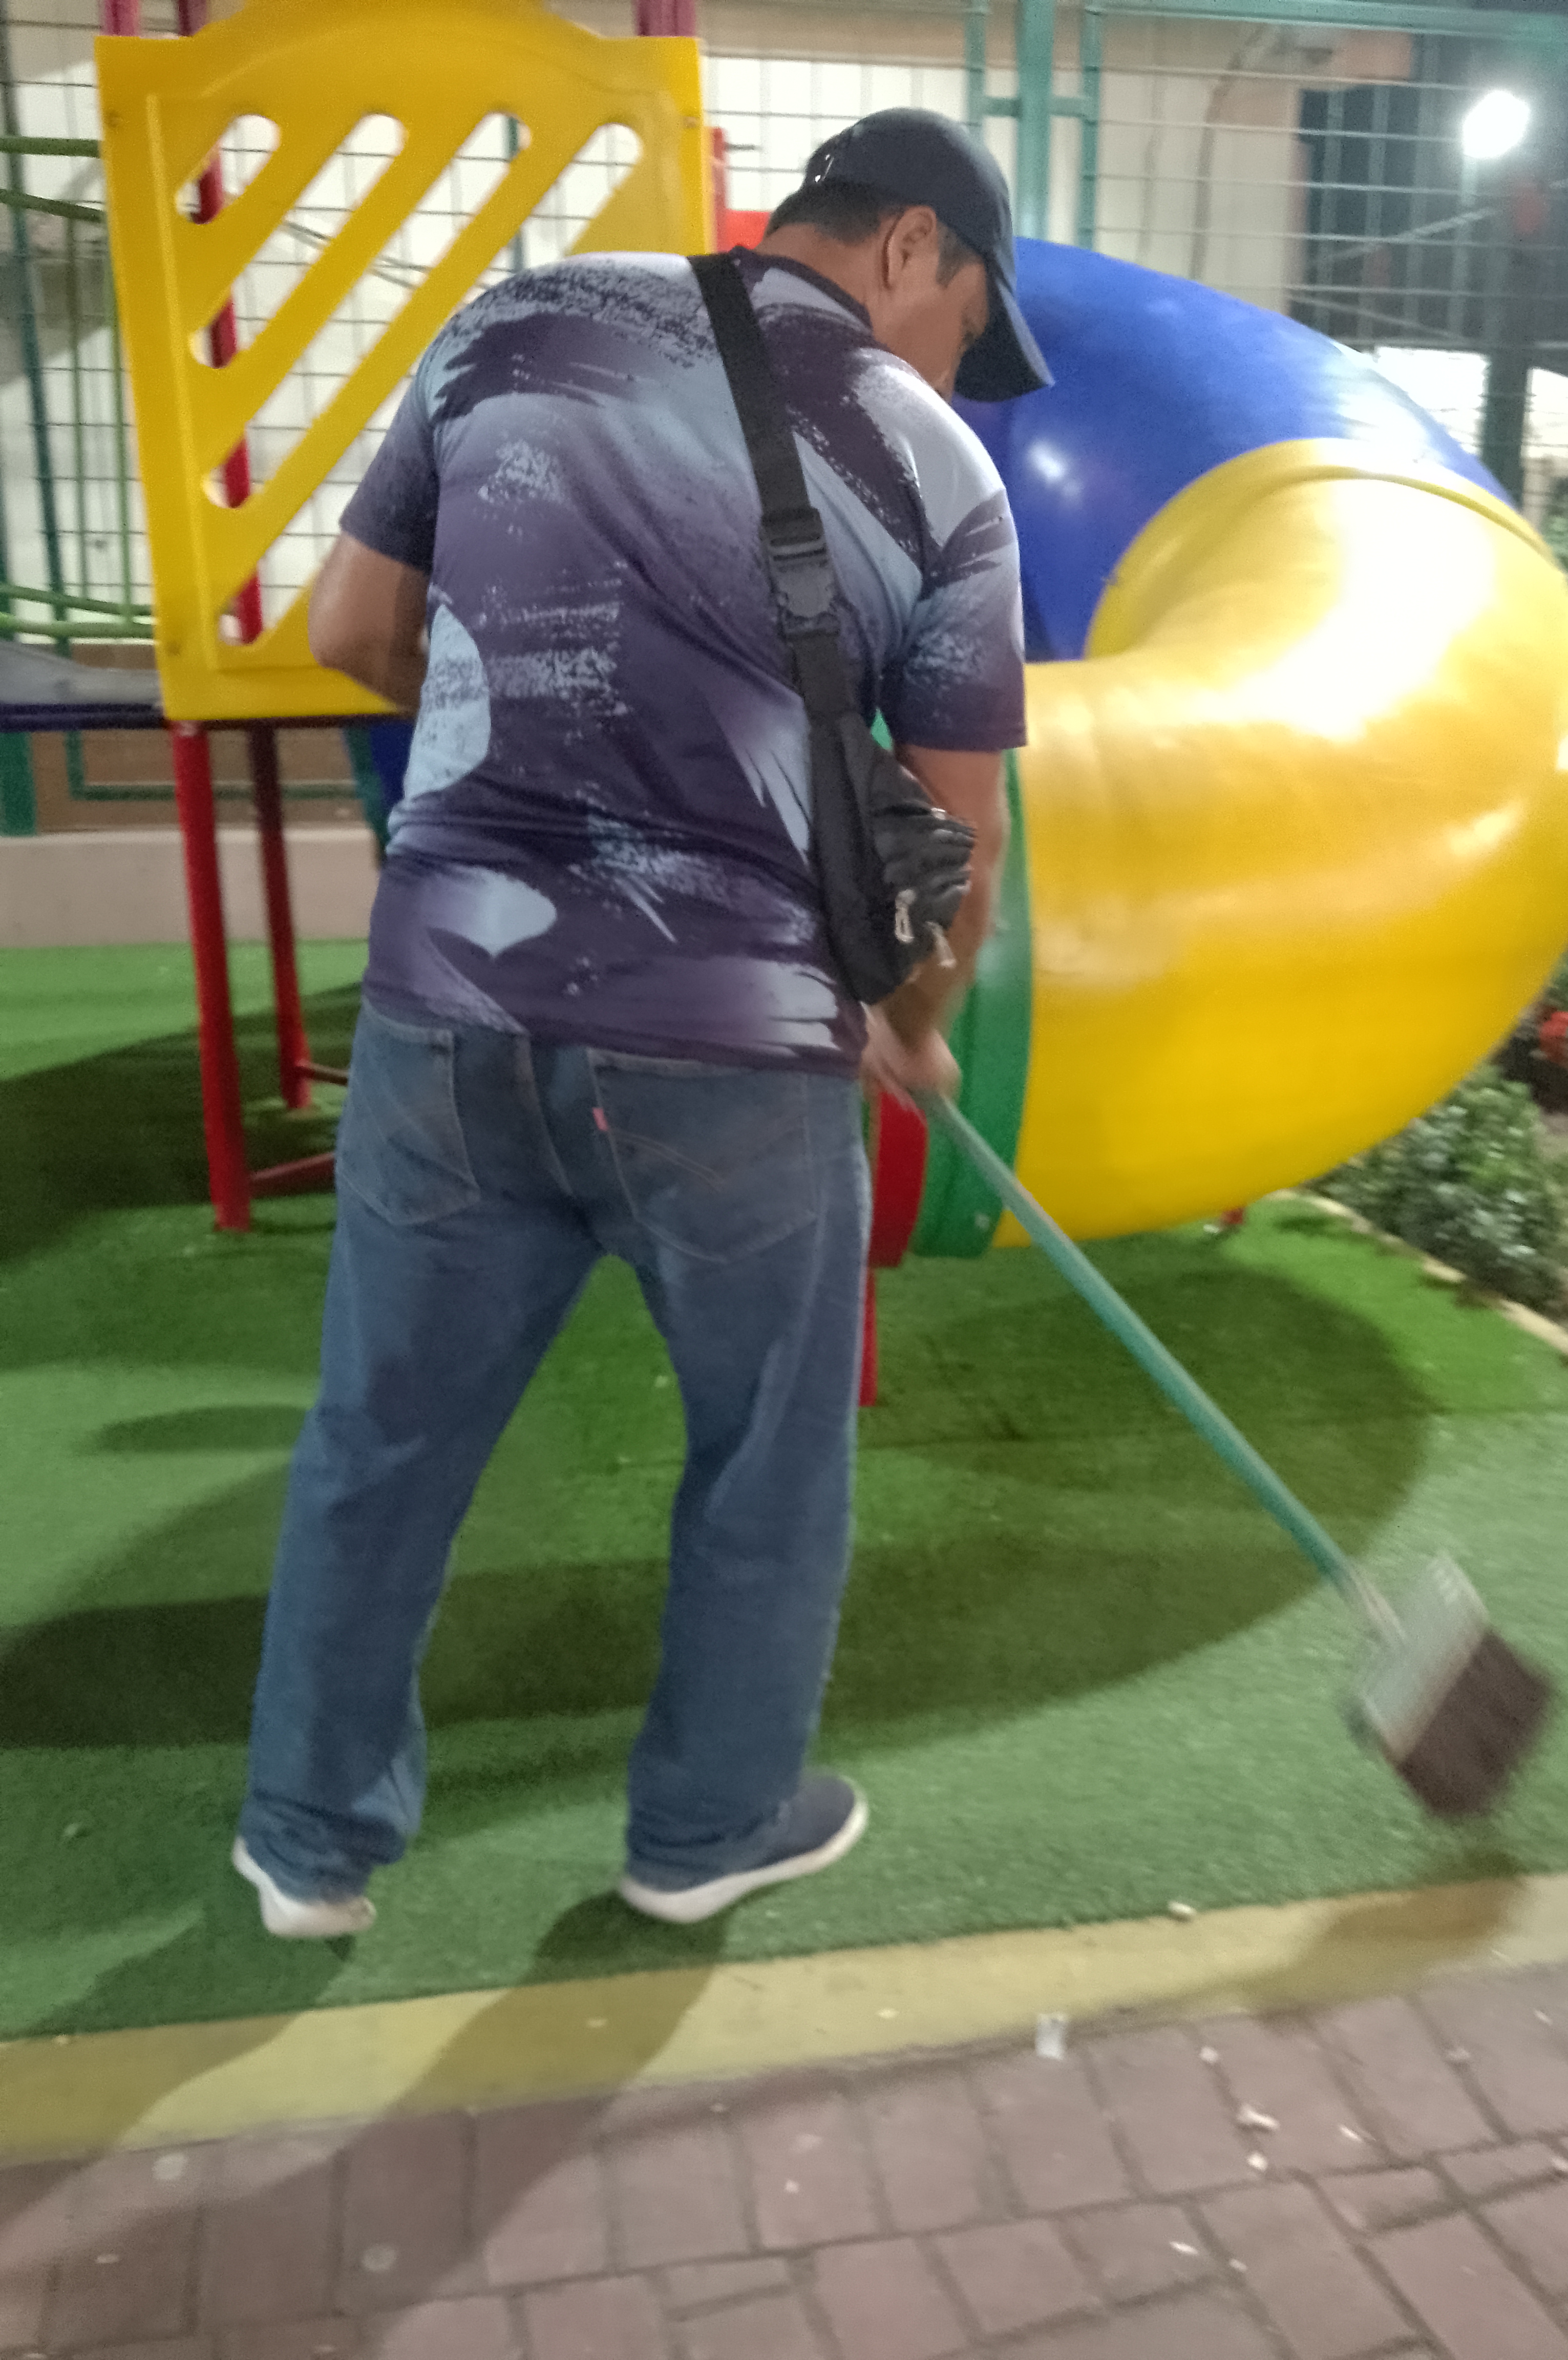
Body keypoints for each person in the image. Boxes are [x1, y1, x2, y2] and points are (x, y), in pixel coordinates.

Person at [231, 109, 1049, 1938]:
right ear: (909, 249)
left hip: (451, 1002)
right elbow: (963, 835)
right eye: (966, 324)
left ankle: (306, 1843)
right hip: (738, 1047)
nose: (954, 372)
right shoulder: (944, 475)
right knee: (767, 1456)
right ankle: (709, 1828)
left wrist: (523, 724)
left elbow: (352, 627)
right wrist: (911, 1013)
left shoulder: (518, 324)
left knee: (380, 1438)